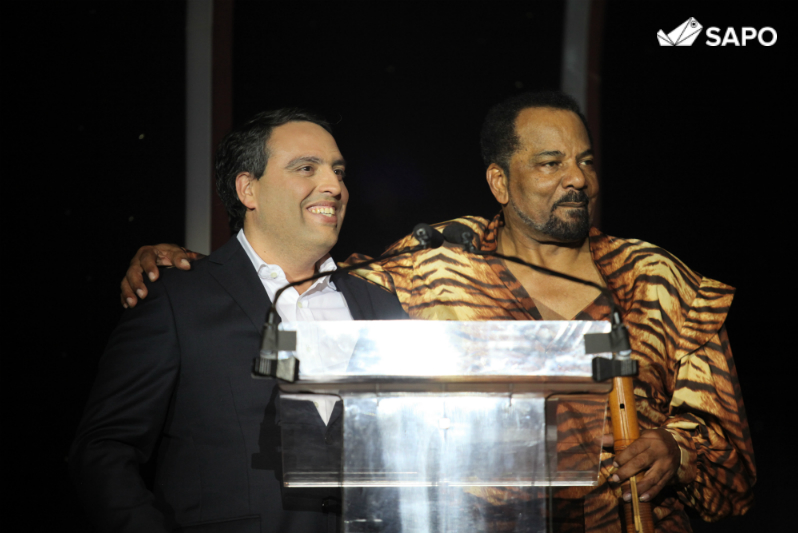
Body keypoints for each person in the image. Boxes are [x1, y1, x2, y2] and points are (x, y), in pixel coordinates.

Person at [121, 91, 755, 532]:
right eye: (551, 162)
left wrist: (678, 453)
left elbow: (736, 471)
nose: (577, 179)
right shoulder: (436, 265)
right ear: (500, 181)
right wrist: (190, 266)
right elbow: (303, 283)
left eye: (586, 161)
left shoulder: (660, 281)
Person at [70, 109, 407, 533]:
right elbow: (104, 449)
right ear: (248, 189)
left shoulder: (381, 307)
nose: (334, 186)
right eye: (307, 168)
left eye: (338, 172)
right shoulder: (179, 299)